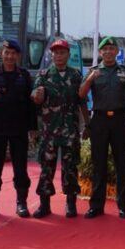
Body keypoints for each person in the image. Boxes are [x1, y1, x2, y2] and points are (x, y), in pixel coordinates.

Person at [0, 39, 36, 219]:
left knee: (20, 167)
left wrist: (33, 127)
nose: (10, 56)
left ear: (18, 56)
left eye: (13, 53)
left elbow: (31, 104)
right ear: (1, 54)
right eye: (6, 53)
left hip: (19, 127)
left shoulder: (24, 76)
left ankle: (22, 204)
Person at [31, 38, 90, 218]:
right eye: (55, 52)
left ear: (68, 54)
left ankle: (71, 203)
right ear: (52, 54)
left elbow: (82, 102)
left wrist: (87, 124)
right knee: (46, 168)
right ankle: (44, 204)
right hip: (49, 130)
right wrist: (38, 95)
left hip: (70, 130)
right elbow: (35, 99)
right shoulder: (43, 75)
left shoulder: (76, 75)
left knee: (70, 167)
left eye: (62, 52)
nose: (58, 56)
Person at [79, 36, 125, 219]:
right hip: (100, 120)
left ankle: (123, 206)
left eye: (112, 49)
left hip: (119, 120)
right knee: (99, 165)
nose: (109, 52)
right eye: (105, 49)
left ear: (117, 52)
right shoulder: (93, 71)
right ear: (100, 52)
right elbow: (80, 94)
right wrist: (89, 80)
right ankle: (96, 206)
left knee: (122, 164)